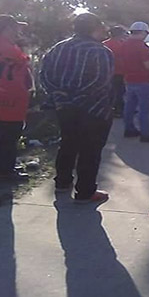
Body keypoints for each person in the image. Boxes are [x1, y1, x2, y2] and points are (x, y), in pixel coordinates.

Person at [39, 13, 114, 204]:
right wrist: (78, 97)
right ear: (95, 28)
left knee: (68, 143)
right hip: (93, 109)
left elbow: (44, 75)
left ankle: (62, 182)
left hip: (64, 108)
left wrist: (59, 95)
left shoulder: (58, 48)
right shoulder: (100, 51)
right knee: (90, 150)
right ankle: (85, 192)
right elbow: (100, 81)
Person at [0, 14, 33, 180]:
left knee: (0, 133)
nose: (18, 32)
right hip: (9, 99)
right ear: (7, 29)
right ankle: (5, 171)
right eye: (15, 28)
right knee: (9, 135)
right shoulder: (7, 49)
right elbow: (24, 64)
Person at [119, 21, 149, 143]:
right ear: (143, 32)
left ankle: (129, 129)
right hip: (143, 80)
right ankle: (146, 134)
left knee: (129, 107)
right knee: (144, 109)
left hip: (129, 79)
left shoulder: (124, 44)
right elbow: (148, 65)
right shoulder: (142, 46)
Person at [103, 26, 128, 118]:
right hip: (119, 71)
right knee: (119, 92)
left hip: (108, 72)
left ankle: (114, 109)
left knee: (113, 91)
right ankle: (119, 110)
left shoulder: (104, 44)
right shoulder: (122, 45)